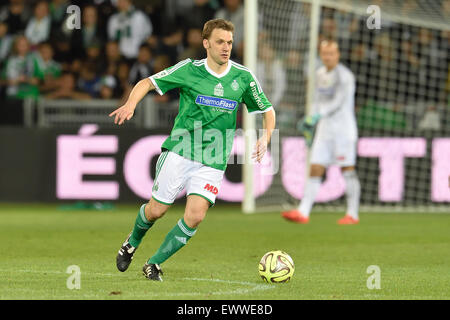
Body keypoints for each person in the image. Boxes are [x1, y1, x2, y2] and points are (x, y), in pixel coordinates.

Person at [109, 18, 276, 281]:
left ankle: (154, 263)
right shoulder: (189, 70)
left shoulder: (242, 77)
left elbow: (267, 110)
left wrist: (266, 138)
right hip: (180, 151)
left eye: (230, 42)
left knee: (195, 217)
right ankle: (132, 242)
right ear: (206, 43)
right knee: (157, 211)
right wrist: (131, 104)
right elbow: (147, 83)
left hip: (214, 159)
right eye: (220, 42)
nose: (226, 47)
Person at [281, 40, 360, 225]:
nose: (328, 57)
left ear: (338, 55)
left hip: (344, 131)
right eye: (324, 54)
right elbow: (317, 100)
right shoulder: (319, 73)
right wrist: (310, 120)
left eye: (331, 53)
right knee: (315, 168)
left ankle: (352, 214)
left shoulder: (345, 76)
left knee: (347, 170)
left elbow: (338, 102)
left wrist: (317, 116)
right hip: (324, 130)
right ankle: (303, 211)